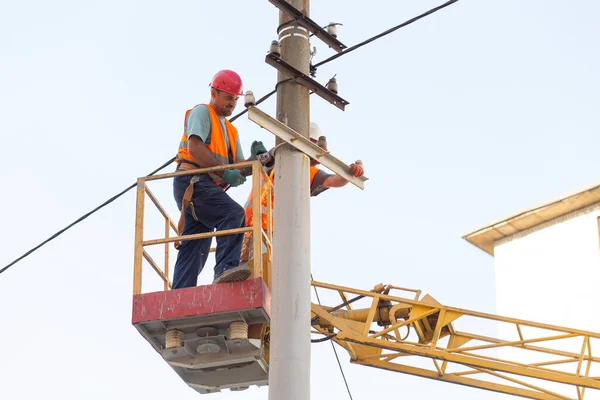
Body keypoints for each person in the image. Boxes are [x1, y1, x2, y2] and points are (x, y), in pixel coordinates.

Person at [172, 69, 266, 289]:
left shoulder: (231, 131)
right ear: (214, 93)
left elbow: (237, 171)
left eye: (235, 99)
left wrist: (255, 161)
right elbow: (195, 149)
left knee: (196, 243)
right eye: (228, 97)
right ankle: (225, 269)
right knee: (233, 214)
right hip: (192, 181)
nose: (232, 103)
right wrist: (225, 172)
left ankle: (180, 292)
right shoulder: (202, 113)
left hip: (205, 188)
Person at [240, 122, 365, 271]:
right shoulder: (279, 155)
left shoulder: (309, 171)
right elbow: (270, 163)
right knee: (256, 272)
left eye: (313, 145)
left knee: (276, 277)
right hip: (254, 226)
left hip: (280, 233)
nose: (310, 149)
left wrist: (350, 173)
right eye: (308, 144)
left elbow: (334, 181)